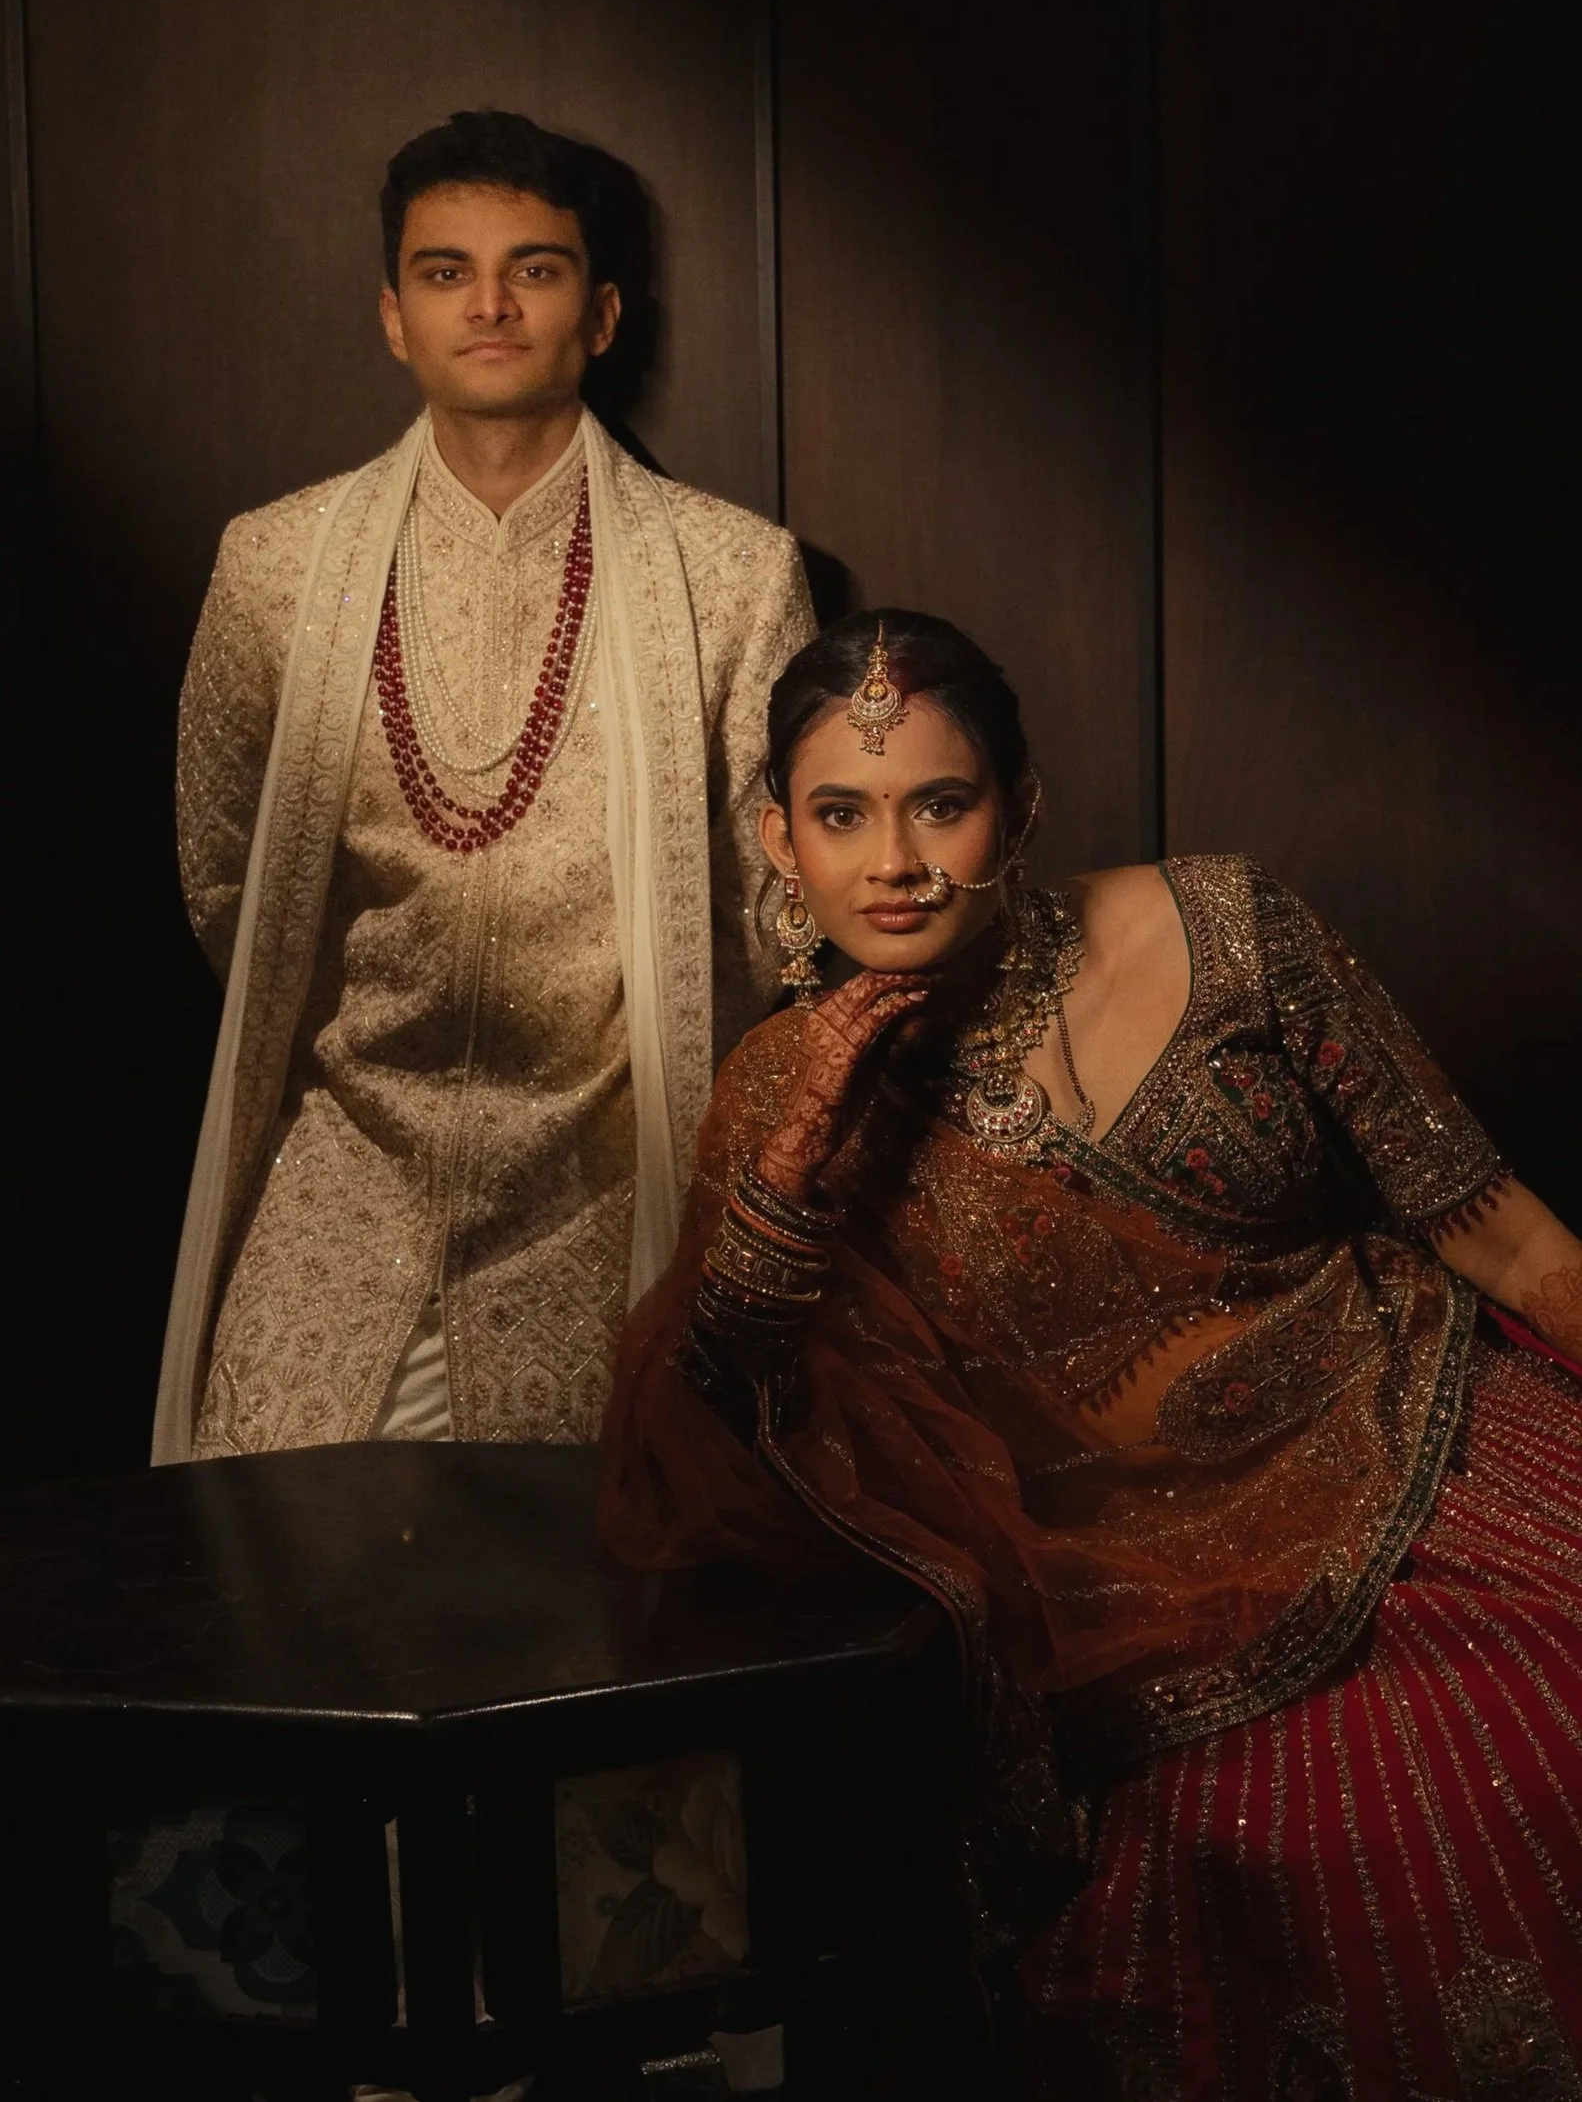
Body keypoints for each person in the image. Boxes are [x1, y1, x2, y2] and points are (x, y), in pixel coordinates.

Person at [599, 609, 1582, 2098]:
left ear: (1023, 806)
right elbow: (721, 1436)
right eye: (841, 815)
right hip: (1129, 1603)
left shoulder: (1231, 931)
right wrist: (784, 1196)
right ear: (775, 837)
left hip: (1419, 1434)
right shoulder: (778, 1103)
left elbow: (1501, 1237)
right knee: (1304, 1842)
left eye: (942, 802)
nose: (896, 863)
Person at [158, 109, 814, 1462]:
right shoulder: (275, 566)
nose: (493, 302)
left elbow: (776, 916)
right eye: (447, 271)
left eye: (536, 267)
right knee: (267, 1586)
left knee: (579, 1618)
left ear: (602, 312)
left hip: (609, 1175)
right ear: (395, 316)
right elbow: (225, 876)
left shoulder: (734, 575)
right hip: (346, 1167)